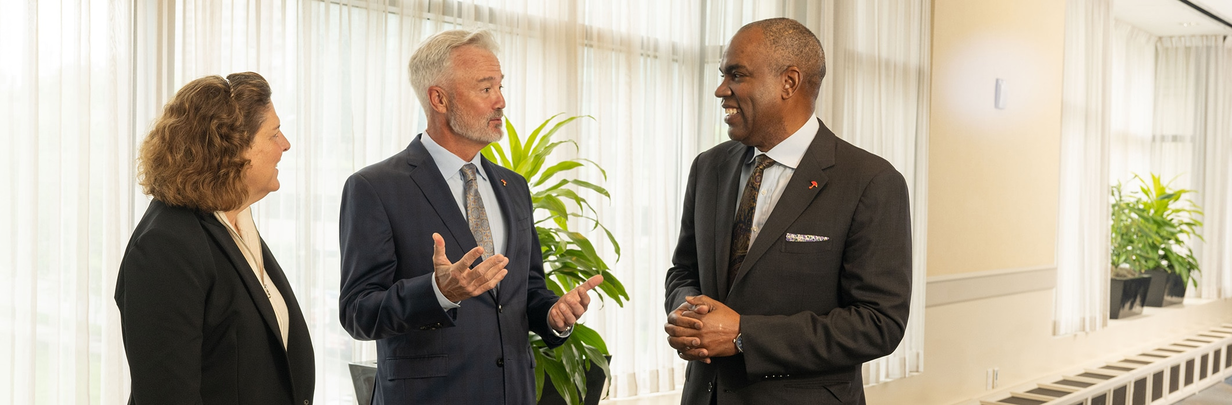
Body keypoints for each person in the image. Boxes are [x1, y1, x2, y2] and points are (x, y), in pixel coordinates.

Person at [338, 29, 602, 404]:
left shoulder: (515, 187)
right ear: (439, 98)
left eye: (500, 86)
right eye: (486, 89)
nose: (501, 102)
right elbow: (357, 312)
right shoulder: (374, 187)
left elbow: (528, 290)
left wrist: (553, 316)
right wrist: (438, 292)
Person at [663, 18, 912, 405]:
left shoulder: (871, 181)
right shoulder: (708, 167)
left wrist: (744, 335)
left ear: (789, 82)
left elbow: (879, 324)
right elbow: (684, 270)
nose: (721, 90)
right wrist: (688, 313)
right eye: (722, 75)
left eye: (736, 75)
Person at [115, 72, 315, 404]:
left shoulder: (235, 221)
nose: (285, 145)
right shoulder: (165, 246)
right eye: (274, 133)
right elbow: (168, 395)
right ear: (233, 147)